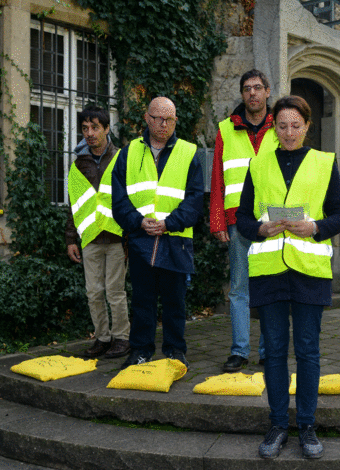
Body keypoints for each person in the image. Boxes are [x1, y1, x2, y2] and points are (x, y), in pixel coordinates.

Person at [236, 96, 340, 460]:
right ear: (273, 126)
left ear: (306, 127)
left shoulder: (324, 162)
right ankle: (278, 424)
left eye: (295, 125)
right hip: (269, 272)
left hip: (309, 272)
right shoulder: (258, 164)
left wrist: (315, 226)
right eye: (281, 126)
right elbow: (243, 221)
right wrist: (261, 228)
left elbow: (339, 215)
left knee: (308, 351)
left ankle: (308, 426)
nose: (288, 132)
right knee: (274, 353)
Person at [112, 97, 204, 370]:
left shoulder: (189, 153)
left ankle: (175, 351)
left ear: (176, 121)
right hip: (141, 239)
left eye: (170, 120)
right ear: (147, 118)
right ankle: (141, 350)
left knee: (175, 301)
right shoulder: (128, 153)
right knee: (142, 300)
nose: (164, 125)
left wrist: (169, 223)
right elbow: (118, 200)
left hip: (175, 240)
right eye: (158, 118)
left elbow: (195, 199)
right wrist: (139, 222)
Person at [210, 69, 276, 372]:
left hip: (273, 220)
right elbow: (217, 179)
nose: (252, 93)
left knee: (269, 286)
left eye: (258, 88)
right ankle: (239, 351)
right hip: (237, 221)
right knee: (239, 288)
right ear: (242, 94)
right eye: (247, 89)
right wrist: (218, 221)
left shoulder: (282, 127)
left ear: (267, 92)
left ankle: (267, 350)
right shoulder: (225, 129)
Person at [66, 106, 130, 359]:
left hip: (116, 236)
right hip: (90, 236)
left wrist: (130, 235)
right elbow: (75, 204)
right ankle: (102, 338)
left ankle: (122, 338)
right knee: (93, 292)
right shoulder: (78, 164)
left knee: (115, 291)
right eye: (85, 129)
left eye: (95, 128)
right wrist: (71, 238)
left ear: (106, 129)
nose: (89, 133)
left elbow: (131, 197)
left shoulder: (121, 158)